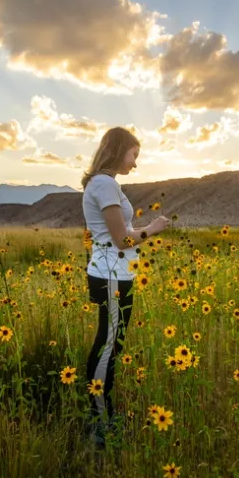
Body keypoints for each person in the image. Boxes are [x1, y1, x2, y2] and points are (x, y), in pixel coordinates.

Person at [81, 126, 170, 449]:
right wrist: (153, 229)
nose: (135, 163)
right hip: (111, 276)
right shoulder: (104, 184)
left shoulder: (105, 184)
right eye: (134, 155)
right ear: (119, 151)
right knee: (107, 346)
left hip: (115, 273)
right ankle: (100, 425)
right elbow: (123, 239)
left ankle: (103, 414)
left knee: (111, 345)